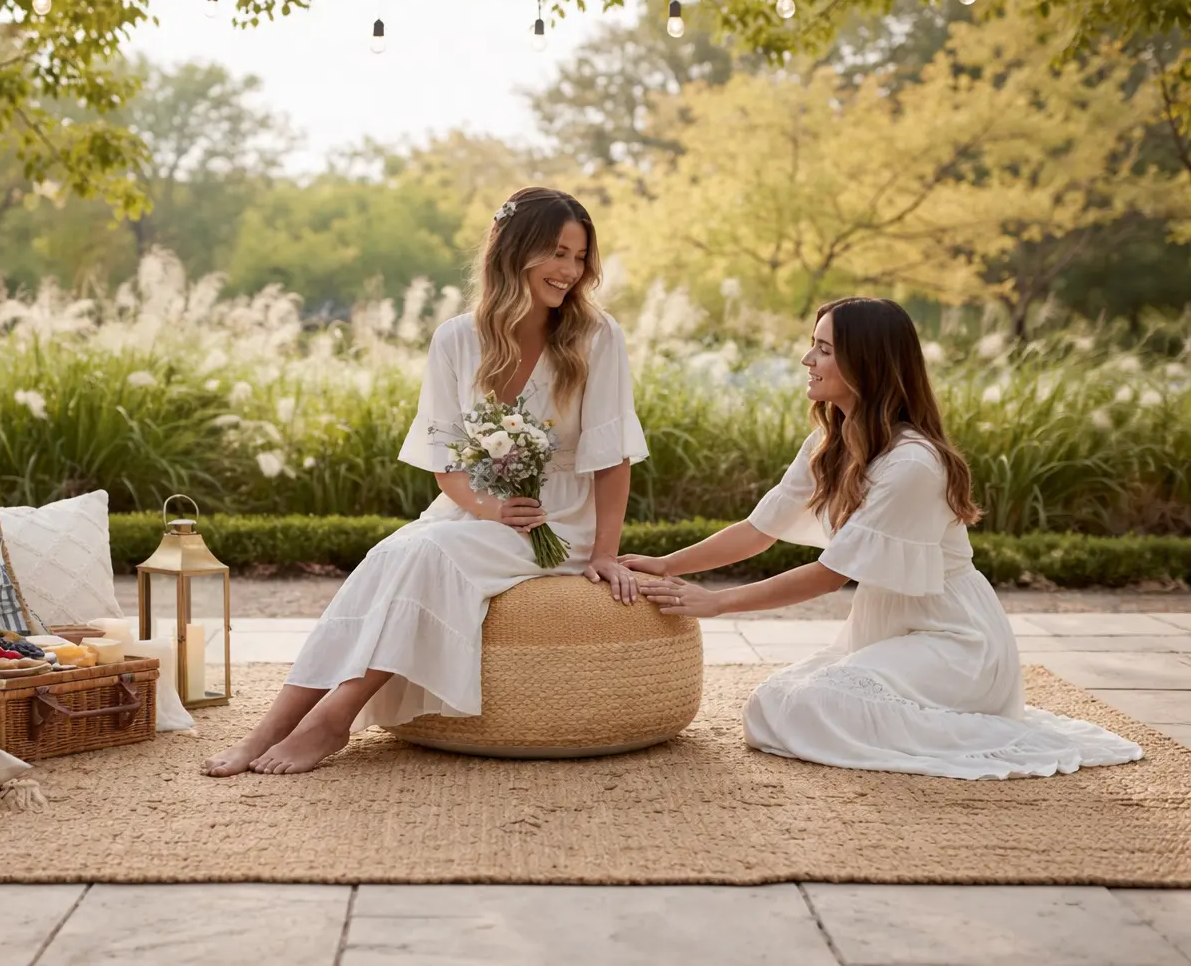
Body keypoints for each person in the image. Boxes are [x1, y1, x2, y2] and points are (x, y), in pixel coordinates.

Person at [202, 187, 648, 776]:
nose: (569, 271)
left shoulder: (598, 337)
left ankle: (332, 720)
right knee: (395, 552)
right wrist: (487, 510)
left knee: (425, 554)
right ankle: (272, 726)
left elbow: (613, 456)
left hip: (561, 520)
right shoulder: (457, 338)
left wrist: (605, 553)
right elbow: (445, 460)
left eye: (579, 256)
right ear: (514, 251)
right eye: (557, 252)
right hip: (473, 512)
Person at [624, 297, 1143, 780]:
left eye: (824, 349)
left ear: (865, 363)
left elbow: (831, 575)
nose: (808, 359)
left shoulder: (913, 462)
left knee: (814, 707)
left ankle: (993, 729)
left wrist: (715, 603)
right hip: (889, 630)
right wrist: (666, 565)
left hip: (955, 642)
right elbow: (759, 531)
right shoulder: (832, 440)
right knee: (771, 705)